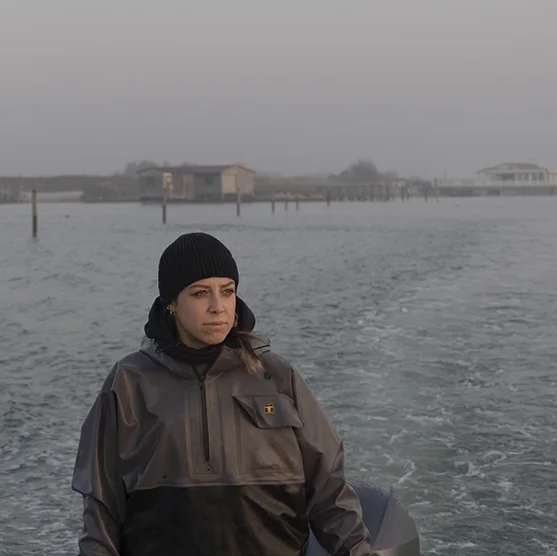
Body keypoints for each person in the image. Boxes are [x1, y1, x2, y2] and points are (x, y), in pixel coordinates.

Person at [71, 231, 374, 556]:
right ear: (171, 303)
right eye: (200, 293)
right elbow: (101, 509)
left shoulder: (277, 376)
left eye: (227, 291)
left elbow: (329, 491)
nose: (218, 307)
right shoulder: (129, 383)